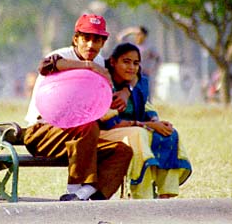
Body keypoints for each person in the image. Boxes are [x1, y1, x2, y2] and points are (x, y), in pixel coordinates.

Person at [24, 14, 133, 201]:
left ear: (103, 43)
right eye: (86, 38)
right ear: (76, 39)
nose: (91, 45)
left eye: (97, 40)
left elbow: (124, 72)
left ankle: (86, 195)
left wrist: (126, 91)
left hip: (80, 138)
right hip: (43, 133)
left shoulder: (99, 62)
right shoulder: (62, 56)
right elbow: (45, 65)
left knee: (122, 151)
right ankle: (74, 187)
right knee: (89, 126)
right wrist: (87, 66)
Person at [100, 42, 192, 199]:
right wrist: (149, 125)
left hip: (136, 128)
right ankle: (141, 196)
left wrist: (156, 121)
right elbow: (109, 122)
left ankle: (166, 194)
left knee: (170, 134)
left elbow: (147, 106)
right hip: (108, 131)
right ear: (113, 62)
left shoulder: (137, 83)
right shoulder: (104, 84)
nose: (131, 67)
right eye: (126, 61)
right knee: (139, 135)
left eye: (136, 63)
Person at [117, 26, 161, 101]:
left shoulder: (149, 46)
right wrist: (131, 30)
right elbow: (120, 38)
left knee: (146, 95)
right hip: (131, 73)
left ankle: (146, 111)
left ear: (144, 36)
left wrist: (153, 69)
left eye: (140, 34)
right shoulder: (132, 44)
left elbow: (158, 59)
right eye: (136, 34)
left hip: (143, 74)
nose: (137, 36)